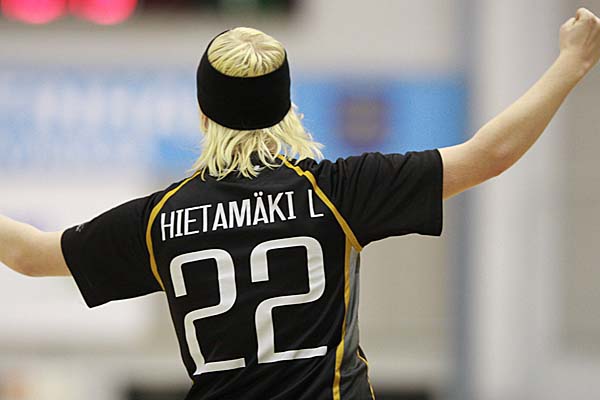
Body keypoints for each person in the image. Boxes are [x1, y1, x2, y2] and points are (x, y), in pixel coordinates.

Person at [1, 8, 599, 400]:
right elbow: (489, 155)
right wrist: (571, 62)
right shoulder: (337, 192)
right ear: (287, 109)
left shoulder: (161, 220)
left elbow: (30, 254)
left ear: (204, 113)